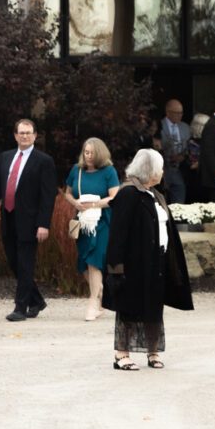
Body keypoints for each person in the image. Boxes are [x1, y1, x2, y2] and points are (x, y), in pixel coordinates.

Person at [105, 149, 192, 370]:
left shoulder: (155, 194)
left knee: (154, 306)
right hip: (134, 263)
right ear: (150, 170)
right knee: (129, 306)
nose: (162, 172)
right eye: (160, 168)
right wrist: (116, 269)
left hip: (157, 260)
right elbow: (118, 234)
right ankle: (121, 354)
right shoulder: (129, 193)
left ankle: (153, 351)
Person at [0, 119, 57, 322]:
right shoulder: (5, 158)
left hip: (30, 223)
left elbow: (48, 197)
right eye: (21, 133)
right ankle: (37, 300)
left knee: (25, 263)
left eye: (28, 133)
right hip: (8, 218)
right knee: (14, 262)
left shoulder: (44, 161)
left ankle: (20, 307)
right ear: (15, 135)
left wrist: (43, 224)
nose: (24, 136)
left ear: (35, 135)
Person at [66, 137, 121, 322]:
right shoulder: (77, 170)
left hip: (103, 221)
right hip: (82, 221)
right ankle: (103, 294)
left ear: (100, 153)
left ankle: (92, 303)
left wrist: (95, 204)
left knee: (94, 260)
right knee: (83, 262)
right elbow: (67, 193)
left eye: (92, 153)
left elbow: (114, 196)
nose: (88, 156)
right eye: (86, 152)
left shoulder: (108, 171)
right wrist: (75, 203)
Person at [156, 99, 191, 203]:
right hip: (163, 168)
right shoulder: (159, 126)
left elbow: (189, 147)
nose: (180, 115)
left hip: (179, 169)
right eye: (177, 113)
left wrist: (183, 156)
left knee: (179, 196)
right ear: (168, 112)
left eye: (181, 113)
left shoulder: (185, 127)